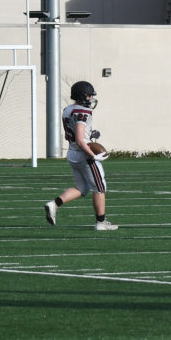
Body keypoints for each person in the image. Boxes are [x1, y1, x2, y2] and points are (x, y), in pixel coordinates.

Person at [44, 81, 118, 231]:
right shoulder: (83, 111)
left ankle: (54, 204)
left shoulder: (67, 110)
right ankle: (101, 222)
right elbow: (79, 139)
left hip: (72, 153)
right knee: (100, 187)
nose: (91, 98)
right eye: (89, 95)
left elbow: (69, 136)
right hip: (84, 155)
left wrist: (89, 135)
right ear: (83, 96)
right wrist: (93, 155)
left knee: (82, 188)